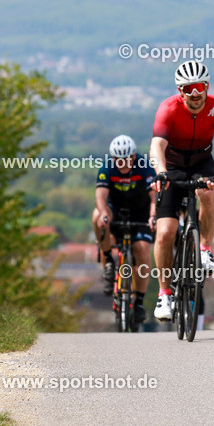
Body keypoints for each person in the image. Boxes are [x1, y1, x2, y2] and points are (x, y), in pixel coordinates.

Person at [150, 60, 214, 321]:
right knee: (165, 232)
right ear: (180, 90)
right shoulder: (168, 108)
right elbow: (157, 144)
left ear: (207, 86)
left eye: (199, 87)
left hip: (201, 161)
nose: (195, 93)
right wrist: (161, 172)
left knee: (207, 194)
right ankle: (165, 295)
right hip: (172, 165)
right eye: (188, 89)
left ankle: (205, 250)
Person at [92, 134, 156, 325]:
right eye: (119, 159)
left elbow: (155, 197)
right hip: (115, 211)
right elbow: (100, 196)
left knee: (142, 249)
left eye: (128, 158)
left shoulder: (144, 166)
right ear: (113, 158)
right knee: (97, 216)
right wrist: (104, 213)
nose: (124, 163)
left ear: (134, 156)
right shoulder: (107, 168)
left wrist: (153, 217)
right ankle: (109, 262)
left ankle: (139, 302)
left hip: (141, 213)